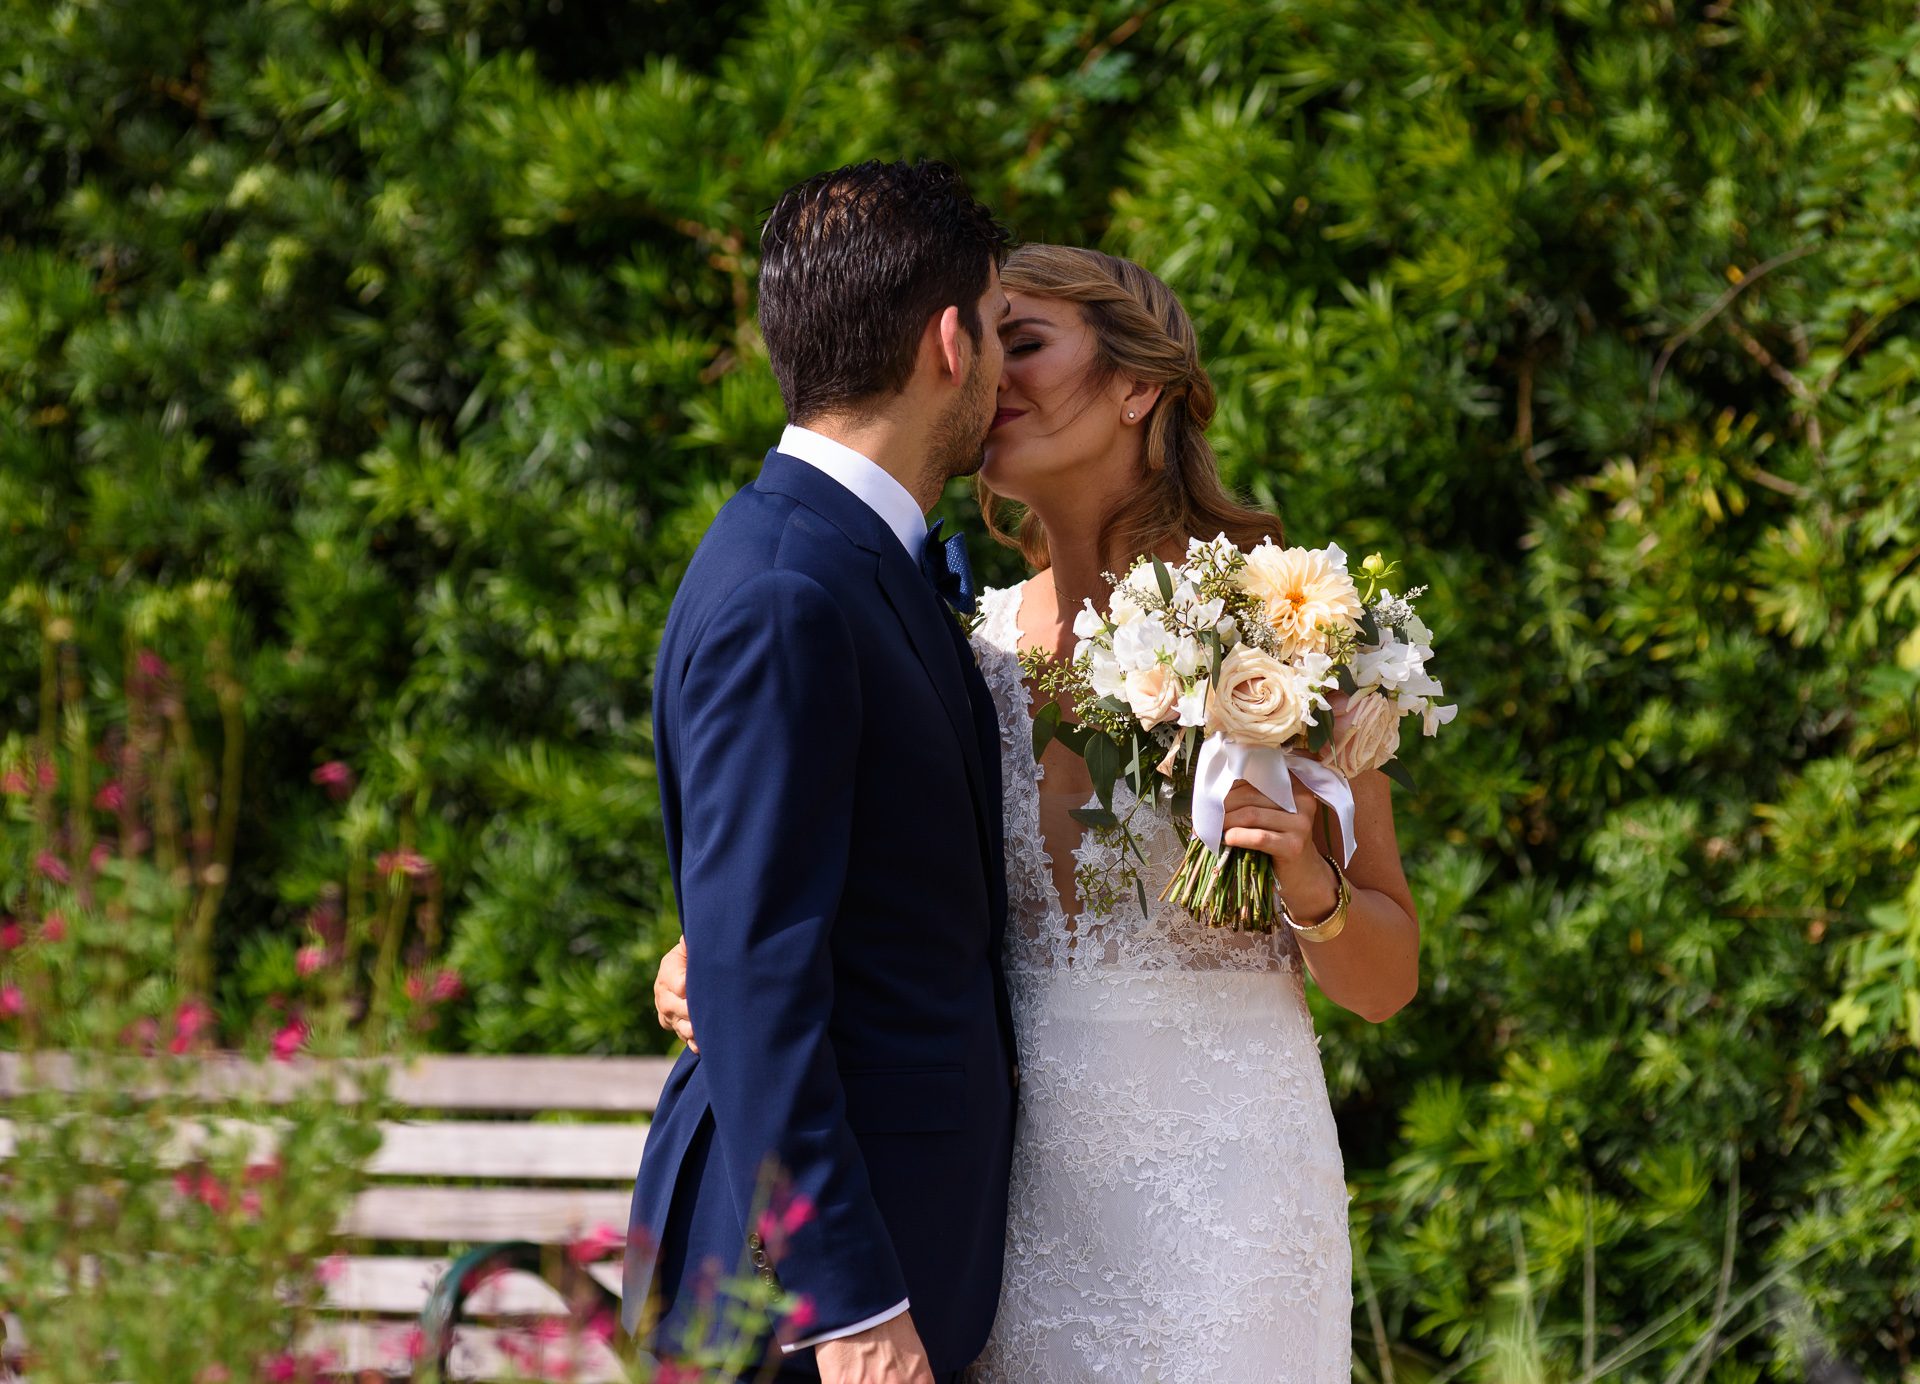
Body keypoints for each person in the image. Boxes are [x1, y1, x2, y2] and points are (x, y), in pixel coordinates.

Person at [655, 243, 1423, 1382]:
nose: (989, 376)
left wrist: (1309, 886)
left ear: (1136, 384)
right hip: (1007, 1210)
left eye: (1026, 343)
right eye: (984, 342)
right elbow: (838, 875)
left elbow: (1389, 976)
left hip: (1231, 1194)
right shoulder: (965, 650)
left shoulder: (1287, 625)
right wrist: (711, 948)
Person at [621, 160, 1019, 1384]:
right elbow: (755, 968)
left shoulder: (831, 556)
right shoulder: (793, 590)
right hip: (811, 1287)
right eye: (1002, 331)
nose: (1002, 366)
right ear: (951, 342)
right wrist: (848, 1300)